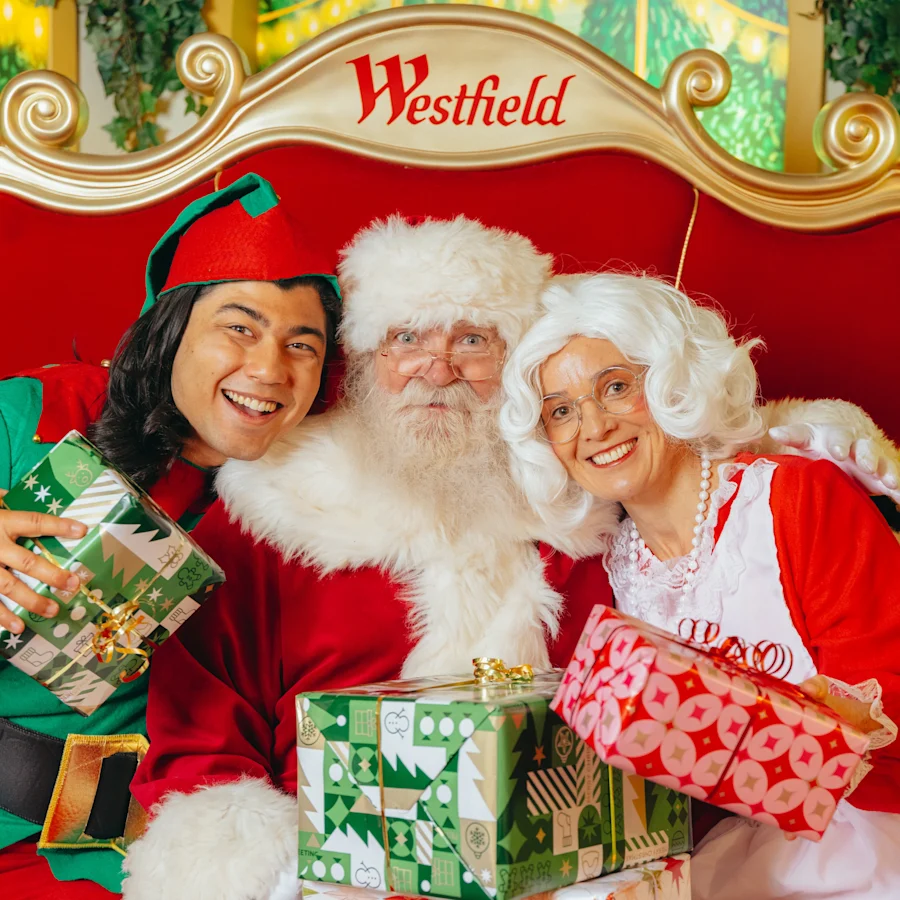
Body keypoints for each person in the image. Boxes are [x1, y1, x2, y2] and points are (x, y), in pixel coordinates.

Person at [124, 216, 897, 900]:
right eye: (407, 338)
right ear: (359, 361)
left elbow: (686, 446)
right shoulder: (273, 514)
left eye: (472, 340)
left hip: (566, 863)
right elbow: (199, 744)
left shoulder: (586, 510)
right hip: (330, 869)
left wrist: (806, 430)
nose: (437, 365)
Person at [500, 272, 900, 900]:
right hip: (724, 845)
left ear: (672, 380)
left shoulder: (795, 499)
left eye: (615, 387)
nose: (594, 426)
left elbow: (889, 697)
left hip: (865, 835)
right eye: (561, 411)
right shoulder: (606, 567)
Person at [0, 173, 342, 899]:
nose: (268, 369)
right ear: (172, 327)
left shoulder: (316, 514)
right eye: (239, 328)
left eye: (301, 345)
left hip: (140, 843)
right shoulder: (31, 417)